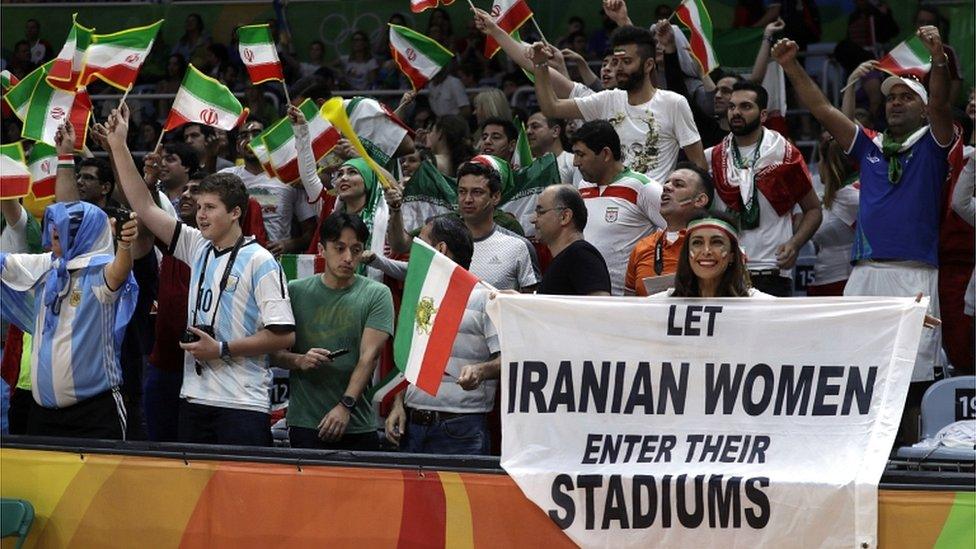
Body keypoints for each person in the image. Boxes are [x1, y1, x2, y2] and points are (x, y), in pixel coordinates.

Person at [773, 28, 953, 439]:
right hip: (864, 275)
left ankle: (905, 460)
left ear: (923, 110)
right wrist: (790, 65)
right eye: (890, 97)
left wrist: (937, 57)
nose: (895, 102)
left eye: (906, 97)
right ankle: (856, 452)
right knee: (857, 371)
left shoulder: (934, 142)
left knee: (912, 377)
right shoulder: (870, 147)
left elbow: (942, 101)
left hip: (914, 276)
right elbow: (820, 108)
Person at [108, 104, 295, 446]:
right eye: (200, 205)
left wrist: (222, 348)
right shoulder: (196, 245)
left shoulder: (261, 261)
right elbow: (145, 206)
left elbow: (283, 337)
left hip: (242, 404)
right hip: (194, 399)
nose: (201, 214)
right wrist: (119, 145)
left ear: (236, 212)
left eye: (211, 208)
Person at [0, 201, 140, 439]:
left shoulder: (100, 271)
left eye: (61, 233)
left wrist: (125, 246)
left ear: (83, 234)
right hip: (41, 415)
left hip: (95, 415)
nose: (53, 235)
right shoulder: (46, 267)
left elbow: (120, 270)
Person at [273, 212, 393, 450]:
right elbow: (272, 353)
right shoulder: (295, 291)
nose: (348, 257)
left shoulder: (377, 294)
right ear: (321, 249)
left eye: (356, 250)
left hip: (357, 422)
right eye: (340, 248)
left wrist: (345, 406)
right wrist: (300, 360)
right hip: (305, 422)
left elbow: (369, 357)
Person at [384, 216, 499, 454]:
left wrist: (481, 370)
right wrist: (398, 404)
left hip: (462, 429)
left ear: (440, 249)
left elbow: (511, 359)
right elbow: (410, 358)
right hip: (412, 424)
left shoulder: (485, 298)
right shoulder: (422, 296)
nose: (413, 252)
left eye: (420, 243)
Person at [531, 25, 705, 182]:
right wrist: (540, 64)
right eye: (616, 61)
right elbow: (551, 107)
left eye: (627, 61)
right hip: (610, 200)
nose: (619, 68)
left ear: (648, 65)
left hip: (653, 209)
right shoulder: (607, 99)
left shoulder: (673, 103)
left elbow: (698, 164)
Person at [705, 81, 822, 297]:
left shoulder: (784, 155)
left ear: (763, 115)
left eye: (745, 106)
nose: (736, 113)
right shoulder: (712, 157)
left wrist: (795, 244)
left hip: (772, 269)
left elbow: (813, 210)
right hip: (724, 269)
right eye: (732, 107)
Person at [571, 120, 664, 295]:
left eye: (580, 154)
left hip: (627, 301)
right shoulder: (583, 186)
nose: (575, 162)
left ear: (606, 154)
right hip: (587, 297)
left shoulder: (643, 187)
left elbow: (676, 232)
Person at [218, 118, 317, 256]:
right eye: (244, 135)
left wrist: (289, 244)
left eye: (257, 134)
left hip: (277, 261)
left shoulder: (288, 177)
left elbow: (311, 231)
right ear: (237, 147)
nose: (250, 140)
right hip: (235, 258)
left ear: (268, 141)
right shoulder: (224, 179)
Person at [626, 162, 713, 296]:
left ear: (700, 200)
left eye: (678, 184)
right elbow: (630, 305)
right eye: (666, 183)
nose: (666, 187)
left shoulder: (717, 245)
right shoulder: (642, 247)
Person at [653, 210, 772, 299]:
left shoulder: (759, 304)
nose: (706, 251)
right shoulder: (660, 305)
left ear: (732, 255)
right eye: (697, 242)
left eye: (717, 242)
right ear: (686, 254)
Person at [533, 185, 612, 296]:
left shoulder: (581, 255)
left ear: (565, 217)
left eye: (540, 212)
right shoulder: (572, 256)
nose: (533, 219)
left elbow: (601, 307)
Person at [807, 137, 859, 297]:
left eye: (820, 160)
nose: (818, 166)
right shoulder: (834, 195)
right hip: (823, 280)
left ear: (830, 164)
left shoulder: (851, 196)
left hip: (844, 282)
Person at [525, 111, 578, 185]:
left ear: (555, 131)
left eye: (535, 126)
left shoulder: (572, 162)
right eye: (527, 127)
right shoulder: (526, 167)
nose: (528, 131)